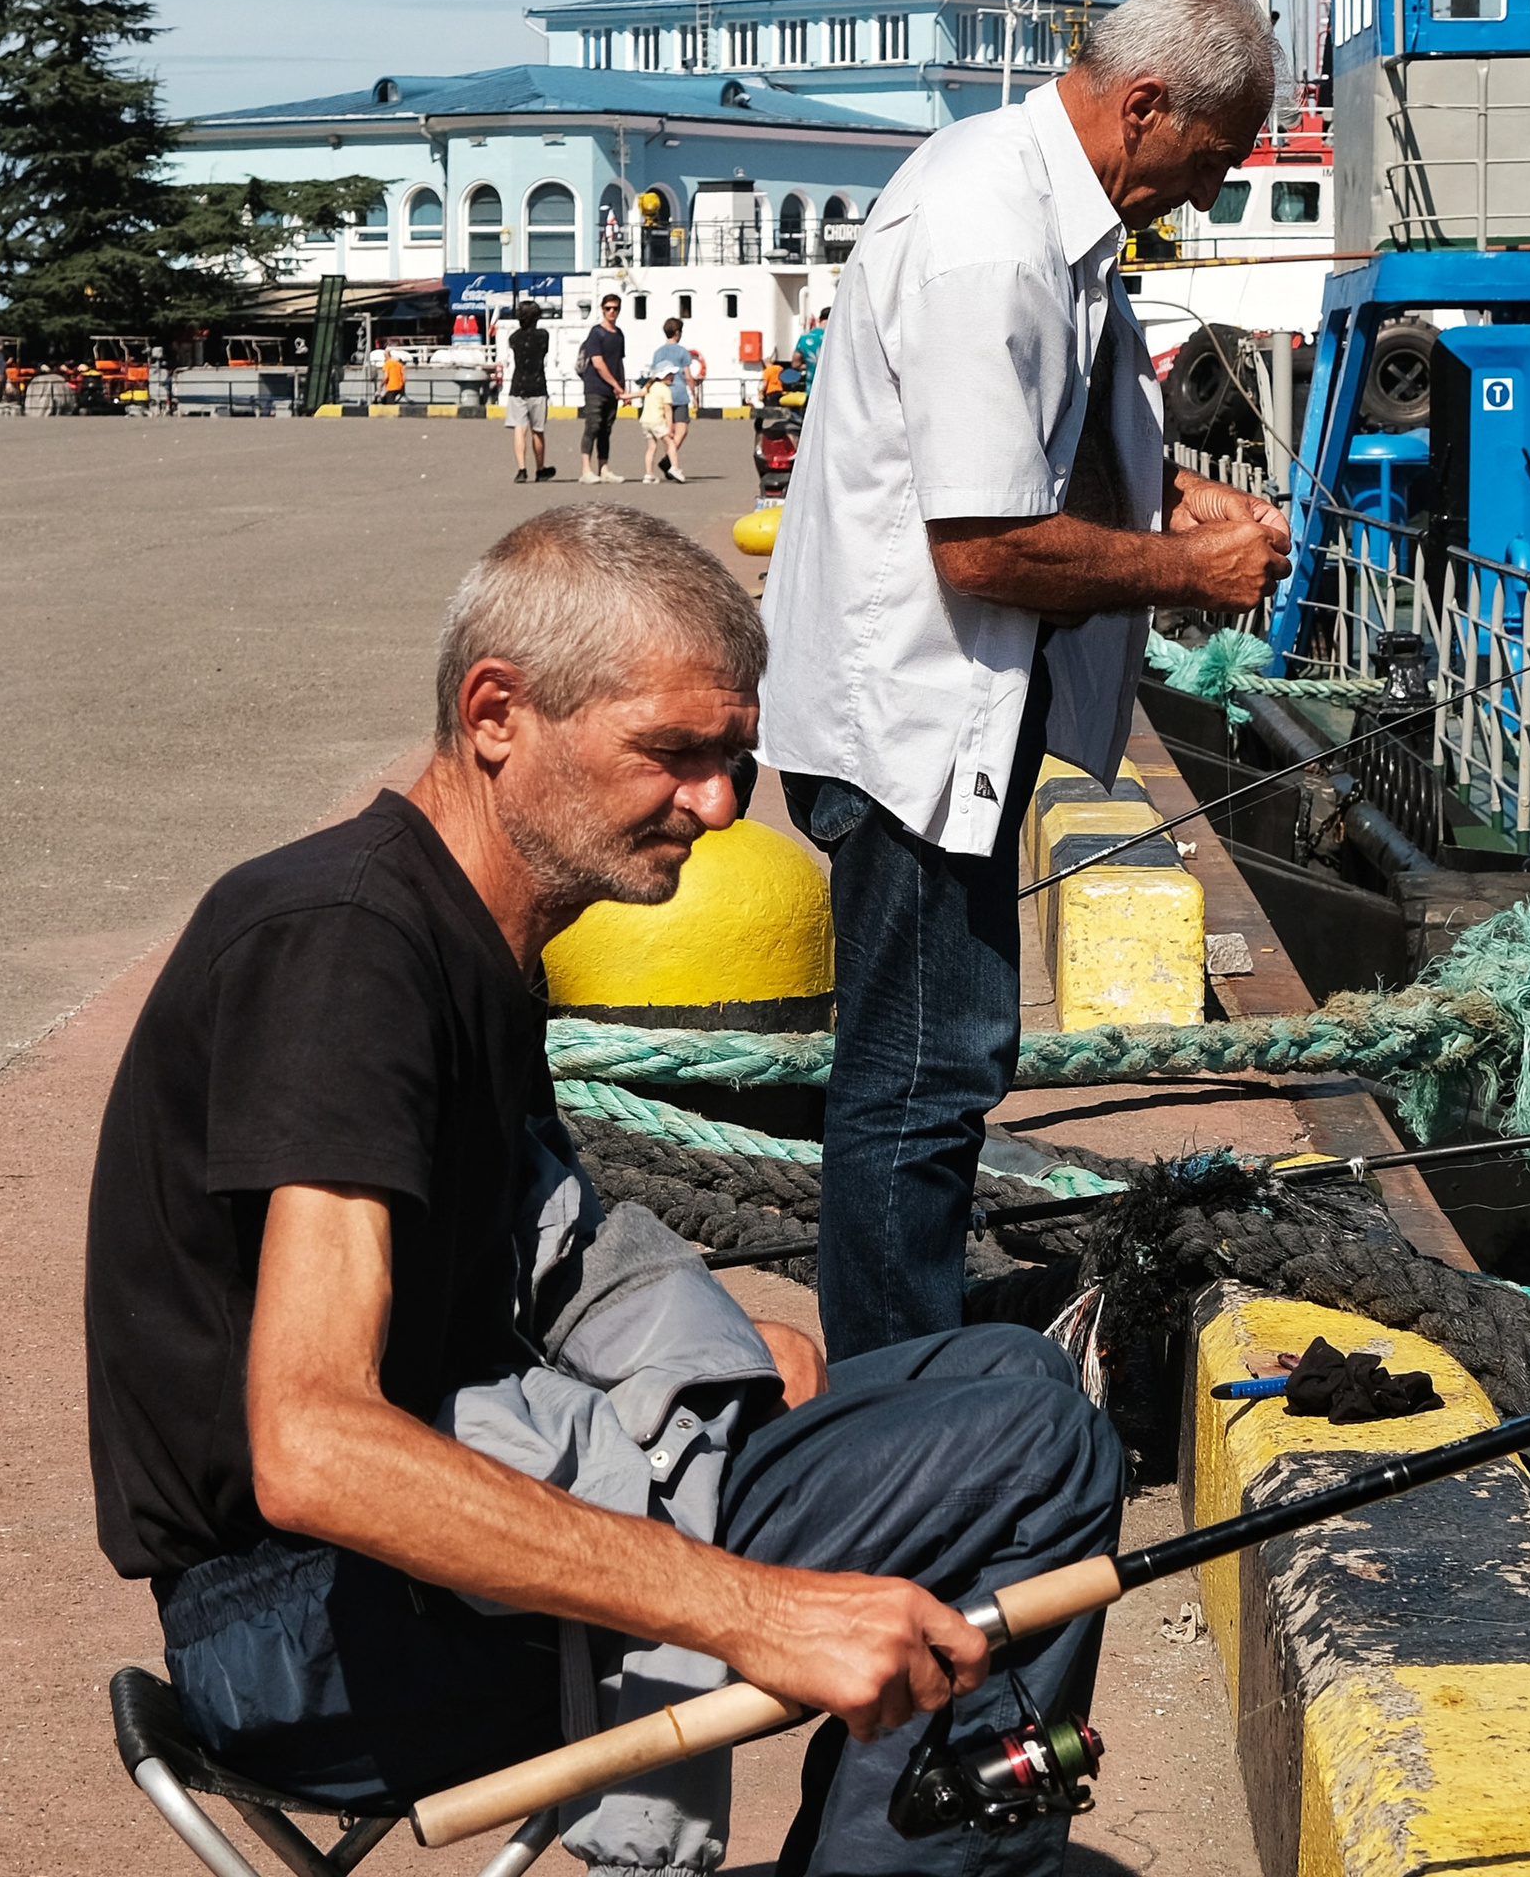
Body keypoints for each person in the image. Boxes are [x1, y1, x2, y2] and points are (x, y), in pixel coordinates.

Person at [84, 509, 1121, 1876]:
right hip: (300, 1637)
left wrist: (719, 1352)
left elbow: (544, 1251)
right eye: (674, 754)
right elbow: (312, 1443)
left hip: (387, 1589)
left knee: (1013, 1380)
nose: (717, 804)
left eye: (735, 758)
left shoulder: (463, 938)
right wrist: (752, 1610)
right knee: (1027, 1460)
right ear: (498, 712)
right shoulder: (345, 954)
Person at [760, 0, 1292, 1362]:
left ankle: (908, 1361)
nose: (1212, 191)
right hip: (912, 727)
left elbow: (1048, 447)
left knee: (943, 1064)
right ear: (1146, 106)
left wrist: (1179, 505)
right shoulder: (992, 235)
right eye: (1215, 162)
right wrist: (1193, 571)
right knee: (923, 1080)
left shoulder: (1049, 208)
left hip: (946, 714)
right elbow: (985, 545)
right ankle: (899, 1404)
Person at [501, 299, 554, 481]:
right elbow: (544, 352)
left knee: (519, 428)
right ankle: (540, 469)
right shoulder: (543, 336)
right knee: (538, 430)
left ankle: (522, 469)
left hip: (518, 386)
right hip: (538, 385)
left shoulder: (514, 338)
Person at [578, 292, 627, 483]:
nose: (612, 312)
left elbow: (619, 362)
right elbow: (597, 362)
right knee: (593, 425)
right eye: (608, 308)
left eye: (615, 308)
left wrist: (623, 387)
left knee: (607, 428)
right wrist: (615, 384)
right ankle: (586, 470)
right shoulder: (596, 333)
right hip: (595, 387)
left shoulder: (619, 334)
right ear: (602, 309)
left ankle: (604, 468)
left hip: (613, 390)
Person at [647, 316, 696, 482]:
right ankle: (668, 461)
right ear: (677, 332)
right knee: (681, 432)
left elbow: (654, 375)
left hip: (661, 394)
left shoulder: (658, 352)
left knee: (669, 432)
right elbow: (688, 376)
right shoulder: (683, 352)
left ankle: (668, 461)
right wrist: (694, 395)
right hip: (680, 394)